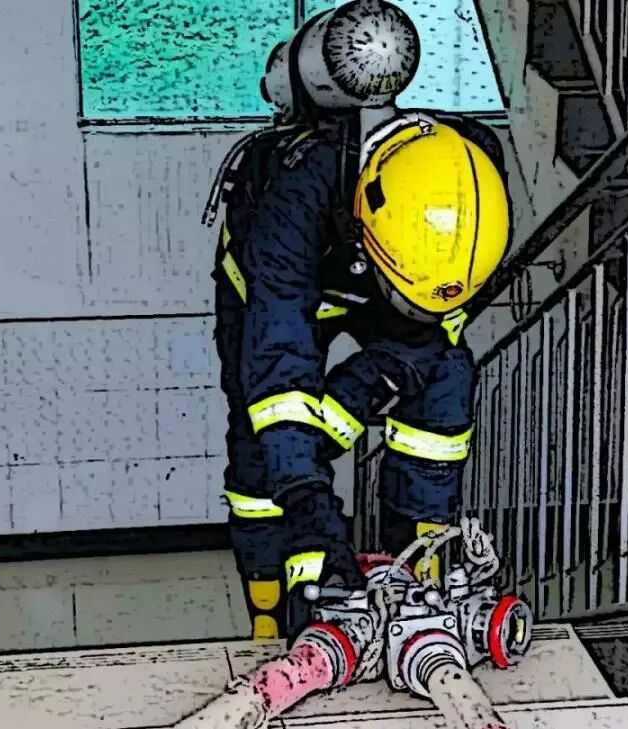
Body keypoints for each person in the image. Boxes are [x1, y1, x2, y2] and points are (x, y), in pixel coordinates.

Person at [205, 0, 512, 641]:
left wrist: (359, 385)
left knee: (447, 375)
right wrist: (311, 508)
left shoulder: (468, 173)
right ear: (367, 228)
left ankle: (418, 570)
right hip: (275, 290)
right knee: (261, 446)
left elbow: (436, 330)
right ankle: (271, 616)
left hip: (372, 284)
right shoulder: (296, 199)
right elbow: (278, 360)